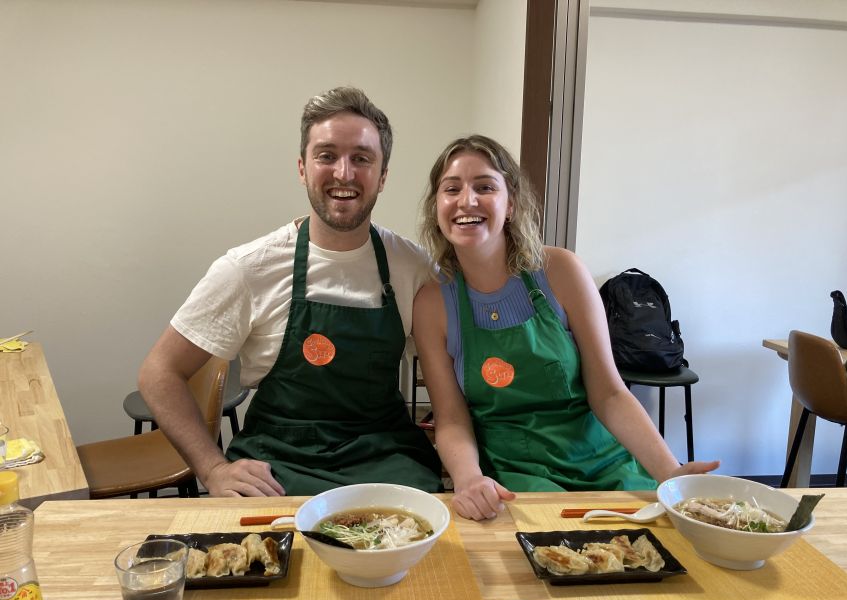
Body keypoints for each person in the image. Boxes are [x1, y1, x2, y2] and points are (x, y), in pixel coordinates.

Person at [138, 87, 443, 497]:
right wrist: (212, 468)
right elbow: (159, 373)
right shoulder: (249, 269)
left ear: (383, 175)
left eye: (362, 158)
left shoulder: (414, 267)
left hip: (384, 457)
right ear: (302, 168)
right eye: (326, 155)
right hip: (280, 462)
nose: (344, 173)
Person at [412, 135, 719, 521]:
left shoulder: (560, 272)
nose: (467, 200)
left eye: (485, 187)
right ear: (437, 208)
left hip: (602, 462)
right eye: (451, 189)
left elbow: (608, 393)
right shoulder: (432, 303)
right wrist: (470, 479)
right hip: (516, 475)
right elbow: (452, 418)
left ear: (511, 205)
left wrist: (670, 474)